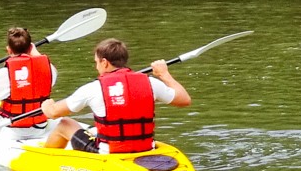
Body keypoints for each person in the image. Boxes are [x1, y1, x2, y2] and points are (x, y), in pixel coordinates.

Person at [37, 38, 191, 154]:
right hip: (145, 150)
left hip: (108, 153)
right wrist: (164, 74)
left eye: (96, 62)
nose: (96, 66)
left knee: (65, 123)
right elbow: (184, 100)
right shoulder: (151, 83)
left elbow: (54, 113)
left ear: (104, 63)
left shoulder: (93, 88)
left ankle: (44, 163)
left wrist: (46, 104)